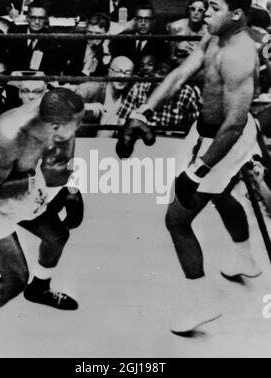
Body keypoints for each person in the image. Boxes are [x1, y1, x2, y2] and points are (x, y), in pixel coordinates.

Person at [116, 0, 262, 335]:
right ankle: (245, 258)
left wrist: (198, 170)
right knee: (223, 193)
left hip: (225, 139)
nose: (206, 14)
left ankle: (202, 302)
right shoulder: (216, 36)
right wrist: (144, 112)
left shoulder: (239, 56)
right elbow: (180, 74)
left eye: (213, 6)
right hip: (206, 130)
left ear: (237, 14)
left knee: (177, 220)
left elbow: (234, 124)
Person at [0, 88, 86, 357]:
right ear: (55, 125)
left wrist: (71, 187)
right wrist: (35, 183)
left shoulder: (56, 110)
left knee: (57, 235)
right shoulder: (8, 135)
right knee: (13, 280)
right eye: (77, 123)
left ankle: (40, 288)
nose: (80, 126)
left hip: (30, 185)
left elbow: (67, 146)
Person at [76, 56, 134, 137]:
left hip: (106, 144)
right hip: (84, 141)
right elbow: (62, 105)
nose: (122, 77)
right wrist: (87, 106)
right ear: (109, 72)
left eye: (127, 73)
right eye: (118, 71)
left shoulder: (129, 96)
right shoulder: (92, 88)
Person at [110, 2, 169, 69]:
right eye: (139, 19)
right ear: (135, 20)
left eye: (147, 19)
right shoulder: (122, 41)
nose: (143, 23)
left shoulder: (161, 45)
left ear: (153, 21)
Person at [6, 0, 60, 74]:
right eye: (33, 17)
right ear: (27, 18)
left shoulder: (50, 38)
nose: (37, 22)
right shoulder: (15, 33)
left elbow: (51, 67)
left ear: (46, 19)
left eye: (41, 18)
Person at [62, 13, 111, 77]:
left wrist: (105, 50)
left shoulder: (108, 48)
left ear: (106, 34)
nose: (93, 37)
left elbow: (105, 74)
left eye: (98, 33)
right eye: (90, 32)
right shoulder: (75, 44)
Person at [167, 0, 209, 66]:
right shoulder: (176, 27)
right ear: (188, 10)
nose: (196, 13)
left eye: (200, 10)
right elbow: (171, 55)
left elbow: (209, 58)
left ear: (205, 12)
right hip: (178, 66)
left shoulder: (208, 31)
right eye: (193, 9)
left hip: (199, 66)